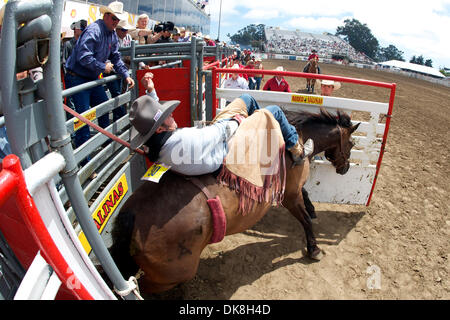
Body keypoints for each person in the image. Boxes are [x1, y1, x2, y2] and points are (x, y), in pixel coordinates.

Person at [129, 94, 313, 176]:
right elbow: (220, 133)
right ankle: (297, 151)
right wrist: (237, 121)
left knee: (247, 100)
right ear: (159, 129)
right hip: (225, 144)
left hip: (211, 141)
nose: (172, 115)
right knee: (274, 111)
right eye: (167, 116)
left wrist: (151, 90)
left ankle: (259, 125)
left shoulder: (159, 146)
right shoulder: (181, 140)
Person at [64, 1, 135, 161]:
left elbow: (116, 57)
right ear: (106, 16)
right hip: (78, 78)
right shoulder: (94, 30)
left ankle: (106, 146)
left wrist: (125, 74)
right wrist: (103, 66)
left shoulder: (110, 34)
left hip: (90, 78)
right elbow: (84, 57)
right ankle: (85, 161)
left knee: (104, 108)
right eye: (114, 19)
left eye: (118, 20)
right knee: (83, 119)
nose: (116, 22)